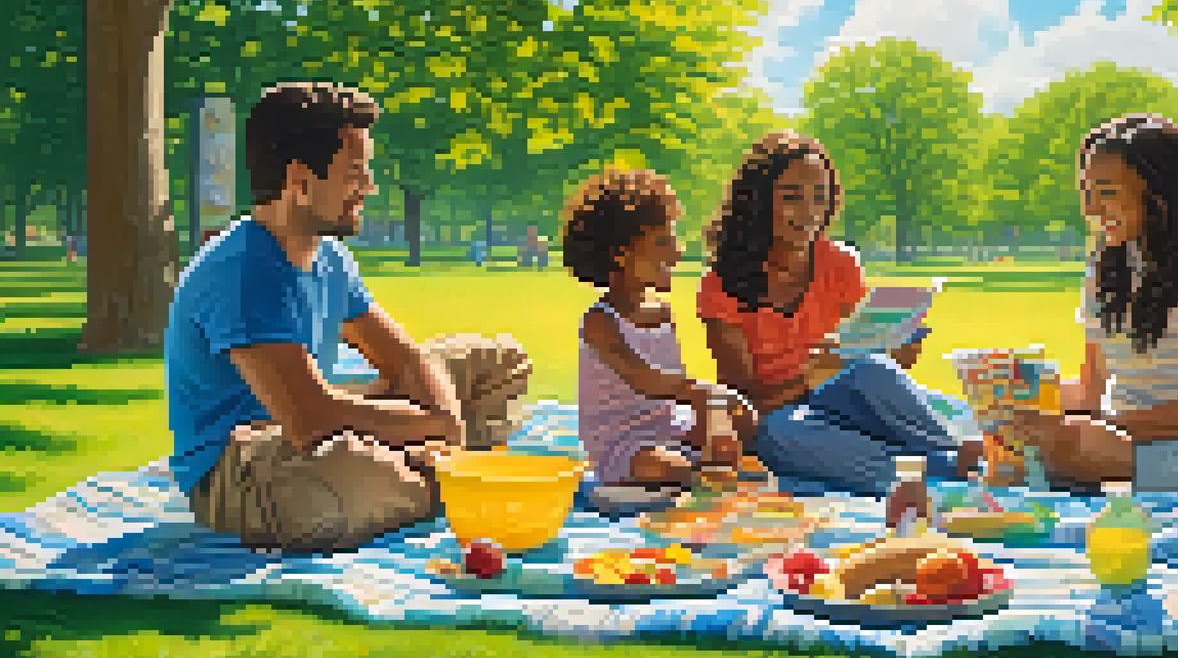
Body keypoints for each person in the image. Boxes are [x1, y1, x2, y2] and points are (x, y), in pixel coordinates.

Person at [165, 81, 524, 553]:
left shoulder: (330, 258)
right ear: (300, 181)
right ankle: (448, 478)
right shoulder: (244, 269)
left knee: (497, 364)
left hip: (318, 428)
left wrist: (445, 422)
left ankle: (430, 473)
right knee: (348, 476)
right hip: (241, 467)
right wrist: (423, 425)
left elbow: (405, 360)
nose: (368, 186)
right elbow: (309, 418)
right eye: (355, 172)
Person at [1005, 114, 1178, 508]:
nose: (1092, 209)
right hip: (1120, 435)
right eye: (1086, 192)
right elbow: (1091, 389)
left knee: (1067, 449)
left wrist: (1095, 427)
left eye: (1107, 192)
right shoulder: (1107, 263)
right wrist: (1015, 401)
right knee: (994, 443)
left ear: (1159, 192)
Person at [697, 132, 981, 496]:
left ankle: (954, 455)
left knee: (873, 369)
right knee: (781, 432)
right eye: (792, 197)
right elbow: (744, 405)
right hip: (778, 418)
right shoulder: (722, 284)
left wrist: (897, 353)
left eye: (820, 197)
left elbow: (864, 363)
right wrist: (810, 378)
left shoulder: (841, 264)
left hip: (842, 403)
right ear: (757, 201)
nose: (809, 212)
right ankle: (937, 471)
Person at [564, 168, 757, 487]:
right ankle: (704, 476)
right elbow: (643, 379)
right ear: (620, 254)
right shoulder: (601, 319)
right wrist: (700, 392)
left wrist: (712, 412)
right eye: (662, 241)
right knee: (665, 467)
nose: (677, 251)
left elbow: (672, 391)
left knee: (743, 415)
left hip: (669, 429)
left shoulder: (662, 312)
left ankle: (704, 465)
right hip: (623, 443)